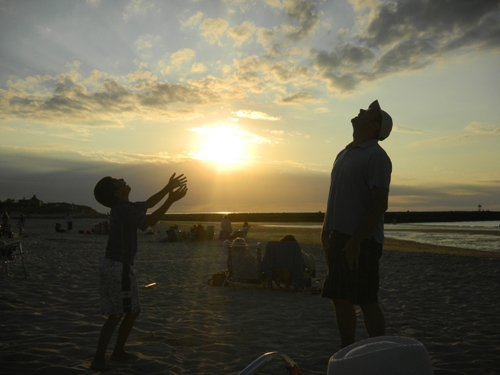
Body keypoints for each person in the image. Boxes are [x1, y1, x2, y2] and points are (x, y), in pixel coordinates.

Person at [91, 173, 187, 371]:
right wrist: (170, 199)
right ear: (118, 193)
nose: (124, 180)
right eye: (119, 182)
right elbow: (149, 221)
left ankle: (117, 352)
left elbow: (149, 203)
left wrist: (168, 188)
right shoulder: (123, 209)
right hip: (119, 267)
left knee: (131, 311)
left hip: (116, 266)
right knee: (117, 314)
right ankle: (100, 359)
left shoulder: (124, 207)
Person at [321, 100, 392, 348]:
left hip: (363, 242)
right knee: (340, 297)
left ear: (374, 126)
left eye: (368, 113)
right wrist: (325, 231)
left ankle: (380, 353)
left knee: (366, 299)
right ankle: (348, 350)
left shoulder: (377, 156)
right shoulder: (345, 153)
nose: (360, 111)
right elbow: (336, 196)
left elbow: (379, 204)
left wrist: (355, 241)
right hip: (339, 237)